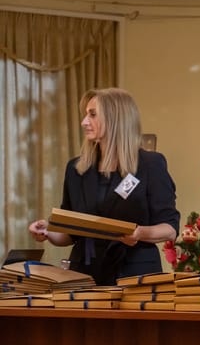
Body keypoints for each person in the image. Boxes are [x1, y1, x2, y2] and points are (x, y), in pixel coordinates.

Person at [28, 87, 180, 285]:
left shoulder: (150, 164)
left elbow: (169, 229)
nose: (84, 122)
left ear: (116, 118)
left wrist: (139, 233)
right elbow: (69, 233)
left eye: (92, 115)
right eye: (85, 115)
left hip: (135, 275)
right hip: (84, 274)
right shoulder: (76, 169)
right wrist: (48, 232)